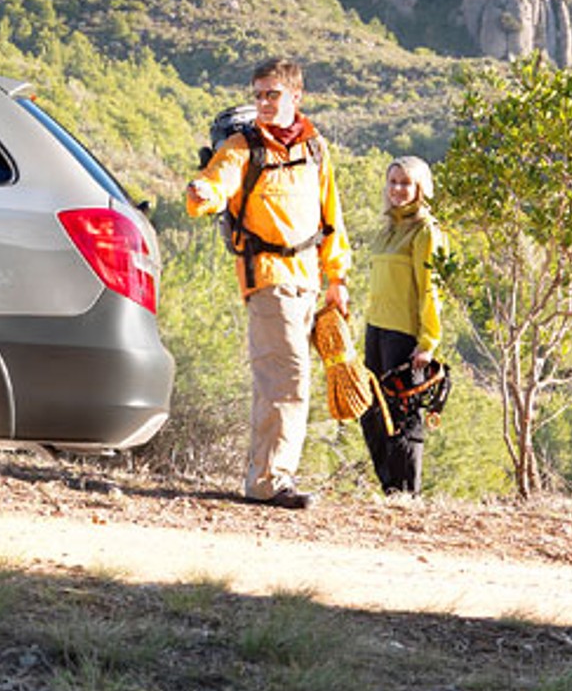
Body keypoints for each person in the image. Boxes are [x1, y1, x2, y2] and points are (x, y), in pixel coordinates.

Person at [186, 57, 350, 509]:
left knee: (280, 379)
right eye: (257, 94)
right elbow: (215, 183)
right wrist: (202, 194)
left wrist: (337, 279)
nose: (261, 102)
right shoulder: (242, 146)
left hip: (308, 282)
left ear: (295, 97)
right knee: (288, 377)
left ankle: (266, 477)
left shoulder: (314, 148)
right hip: (267, 280)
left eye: (271, 94)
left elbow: (330, 219)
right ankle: (271, 483)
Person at [361, 156, 447, 495]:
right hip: (376, 330)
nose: (398, 189)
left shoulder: (426, 230)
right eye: (393, 182)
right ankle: (390, 488)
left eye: (406, 183)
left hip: (404, 335)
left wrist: (428, 341)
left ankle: (407, 494)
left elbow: (431, 288)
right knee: (372, 413)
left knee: (403, 415)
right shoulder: (388, 230)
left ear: (420, 188)